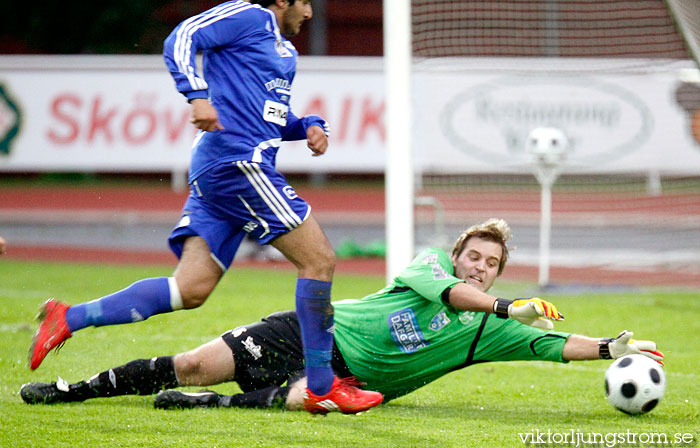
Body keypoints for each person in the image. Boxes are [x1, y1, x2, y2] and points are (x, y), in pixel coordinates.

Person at [26, 0, 383, 414]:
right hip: (237, 163)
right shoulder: (248, 16)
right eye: (303, 2)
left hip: (227, 169)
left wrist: (307, 126)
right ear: (281, 0)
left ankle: (68, 317)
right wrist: (195, 96)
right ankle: (322, 387)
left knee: (188, 289)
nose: (309, 13)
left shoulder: (284, 51)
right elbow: (180, 39)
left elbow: (269, 116)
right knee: (319, 260)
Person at [20, 219, 664, 412]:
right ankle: (71, 391)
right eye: (473, 256)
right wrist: (503, 303)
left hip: (343, 377)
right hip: (310, 330)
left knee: (323, 399)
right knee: (191, 363)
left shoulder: (493, 332)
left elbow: (553, 347)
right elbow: (454, 297)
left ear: (499, 267)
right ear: (457, 255)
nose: (478, 267)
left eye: (490, 263)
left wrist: (611, 348)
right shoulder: (427, 269)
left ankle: (213, 409)